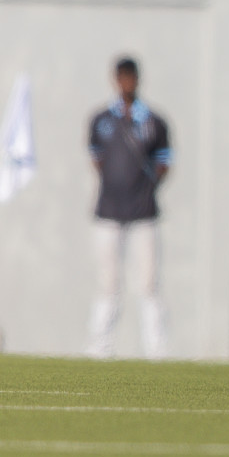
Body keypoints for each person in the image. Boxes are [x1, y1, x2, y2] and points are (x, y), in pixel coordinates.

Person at [87, 56, 173, 359]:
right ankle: (100, 350)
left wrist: (145, 188)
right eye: (121, 77)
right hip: (109, 212)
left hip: (143, 213)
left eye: (130, 77)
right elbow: (97, 157)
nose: (126, 83)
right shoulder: (101, 120)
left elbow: (164, 163)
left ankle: (157, 351)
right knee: (108, 283)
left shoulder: (153, 121)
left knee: (149, 283)